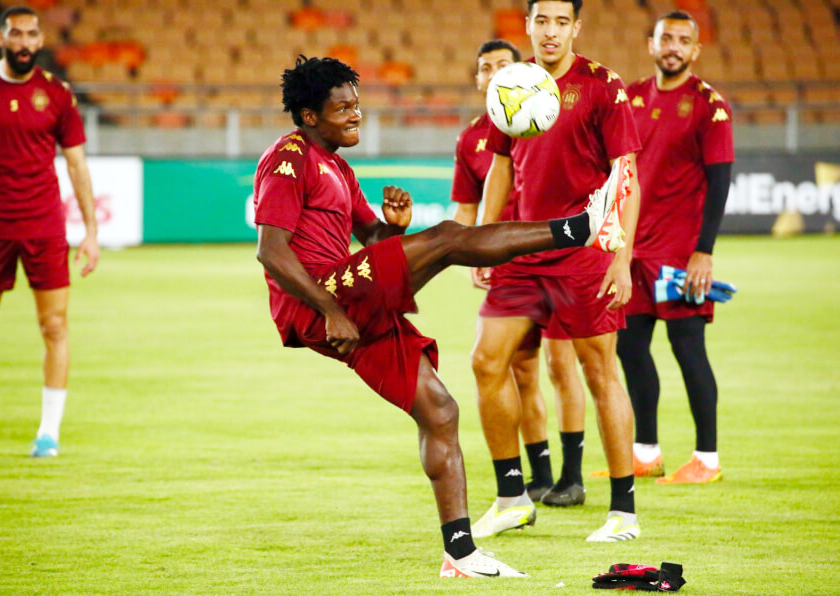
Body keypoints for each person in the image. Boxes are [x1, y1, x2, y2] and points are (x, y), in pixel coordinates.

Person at [254, 55, 624, 576]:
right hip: (324, 298)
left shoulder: (337, 165)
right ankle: (579, 228)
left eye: (357, 105)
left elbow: (374, 242)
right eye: (343, 108)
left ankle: (460, 553)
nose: (356, 115)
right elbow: (271, 250)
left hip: (348, 294)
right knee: (449, 238)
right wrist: (330, 309)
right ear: (310, 116)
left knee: (440, 409)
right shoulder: (288, 158)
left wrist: (394, 227)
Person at [470, 0, 643, 542]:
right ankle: (511, 497)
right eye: (540, 21)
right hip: (523, 248)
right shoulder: (512, 81)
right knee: (486, 361)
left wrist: (621, 258)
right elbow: (500, 166)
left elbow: (627, 175)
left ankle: (623, 511)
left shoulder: (602, 86)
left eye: (560, 22)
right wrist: (482, 238)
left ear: (576, 27)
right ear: (527, 26)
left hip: (583, 252)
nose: (549, 31)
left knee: (599, 373)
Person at [0, 6, 99, 459]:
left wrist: (90, 231)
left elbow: (76, 164)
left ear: (40, 40)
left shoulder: (57, 93)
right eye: (17, 34)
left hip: (44, 226)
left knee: (54, 326)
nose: (25, 42)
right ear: (0, 39)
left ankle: (48, 435)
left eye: (32, 34)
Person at [615, 10, 733, 484]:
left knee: (688, 349)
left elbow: (720, 181)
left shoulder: (709, 105)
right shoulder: (635, 97)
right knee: (630, 347)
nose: (674, 47)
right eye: (667, 38)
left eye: (684, 40)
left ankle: (707, 459)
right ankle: (646, 452)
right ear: (651, 43)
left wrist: (703, 251)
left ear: (695, 51)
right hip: (635, 252)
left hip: (680, 256)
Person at [450, 39, 556, 501]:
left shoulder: (547, 117)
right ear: (477, 80)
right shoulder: (473, 136)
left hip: (554, 258)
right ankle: (539, 479)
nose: (493, 73)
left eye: (502, 65)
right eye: (484, 67)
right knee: (518, 369)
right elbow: (466, 208)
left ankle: (562, 475)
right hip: (506, 264)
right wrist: (467, 251)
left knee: (560, 368)